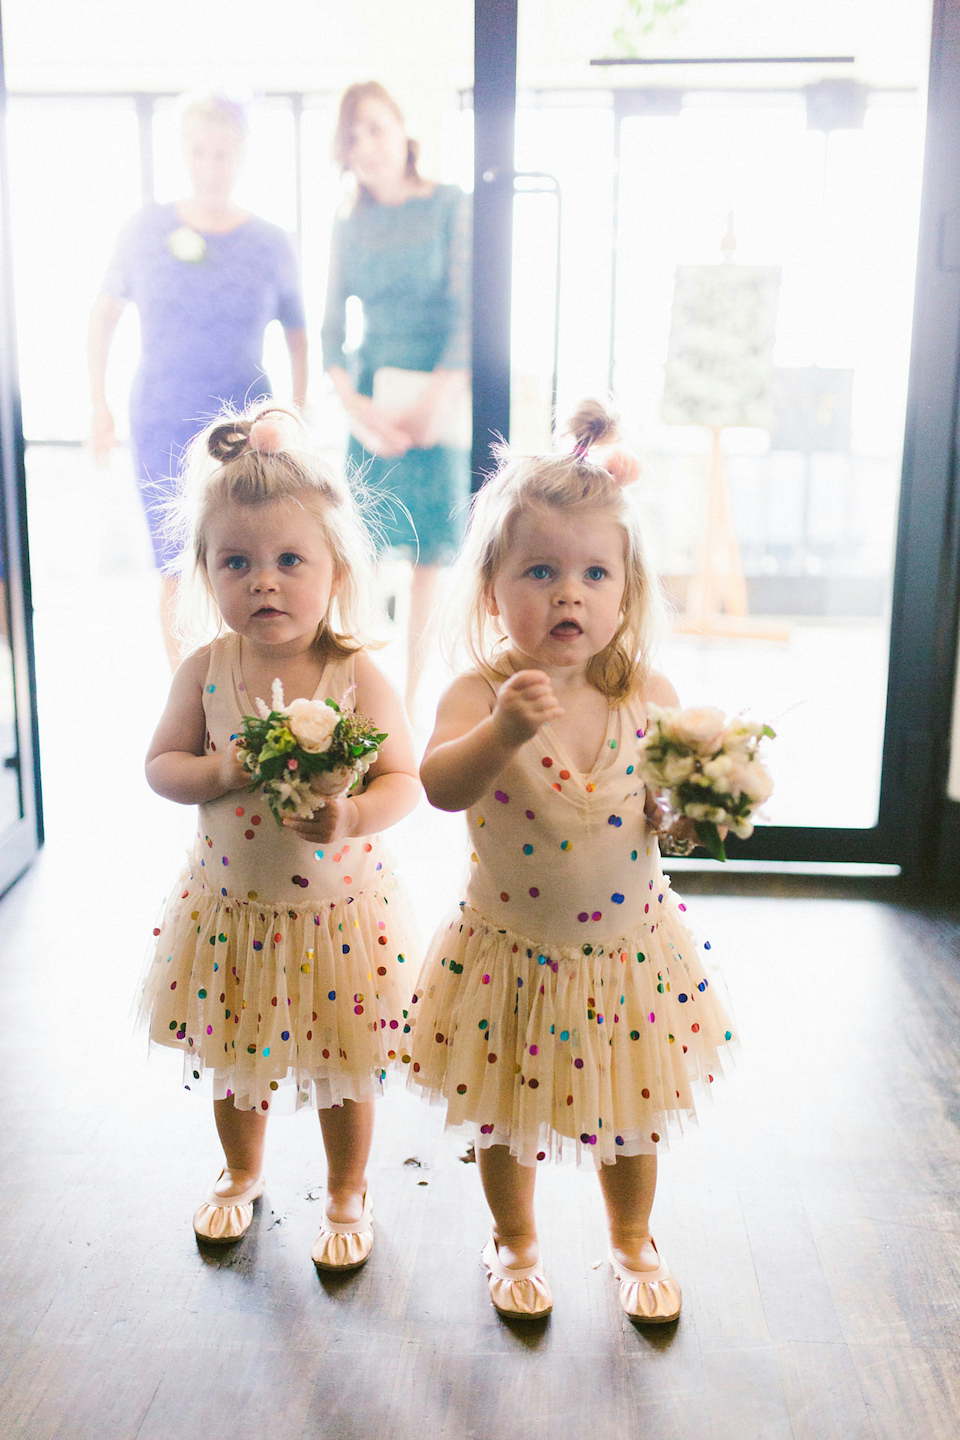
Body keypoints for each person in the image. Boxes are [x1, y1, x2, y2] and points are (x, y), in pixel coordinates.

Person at [407, 401, 735, 1323]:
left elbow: (659, 816)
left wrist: (689, 808)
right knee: (504, 1111)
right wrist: (505, 727)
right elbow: (440, 786)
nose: (569, 594)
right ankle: (513, 1240)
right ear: (491, 590)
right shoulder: (480, 691)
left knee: (632, 1114)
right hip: (511, 950)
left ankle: (632, 1241)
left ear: (626, 592)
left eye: (595, 573)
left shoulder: (647, 692)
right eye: (540, 572)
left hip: (629, 952)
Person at [138, 403, 420, 1266]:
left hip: (339, 914)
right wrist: (217, 773)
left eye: (290, 560)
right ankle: (239, 1173)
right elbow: (160, 766)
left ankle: (345, 1190)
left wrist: (353, 816)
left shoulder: (353, 670)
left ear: (336, 569)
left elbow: (404, 777)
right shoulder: (207, 669)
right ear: (205, 573)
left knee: (345, 1065)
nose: (264, 581)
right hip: (233, 907)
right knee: (236, 1057)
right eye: (237, 562)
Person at [88, 93, 308, 668]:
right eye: (200, 152)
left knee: (251, 558)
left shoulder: (270, 241)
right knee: (174, 565)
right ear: (184, 153)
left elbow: (299, 333)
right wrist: (98, 405)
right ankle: (190, 699)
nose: (211, 165)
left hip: (246, 424)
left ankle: (252, 687)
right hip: (161, 416)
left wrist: (296, 415)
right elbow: (103, 316)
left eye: (223, 153)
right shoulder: (143, 229)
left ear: (241, 156)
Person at [322, 81, 470, 714]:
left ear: (403, 131)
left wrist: (436, 398)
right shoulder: (350, 223)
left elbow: (470, 315)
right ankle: (363, 708)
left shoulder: (450, 206)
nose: (366, 145)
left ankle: (409, 707)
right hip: (375, 403)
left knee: (430, 558)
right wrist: (357, 407)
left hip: (442, 398)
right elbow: (331, 332)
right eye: (353, 135)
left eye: (376, 128)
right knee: (362, 554)